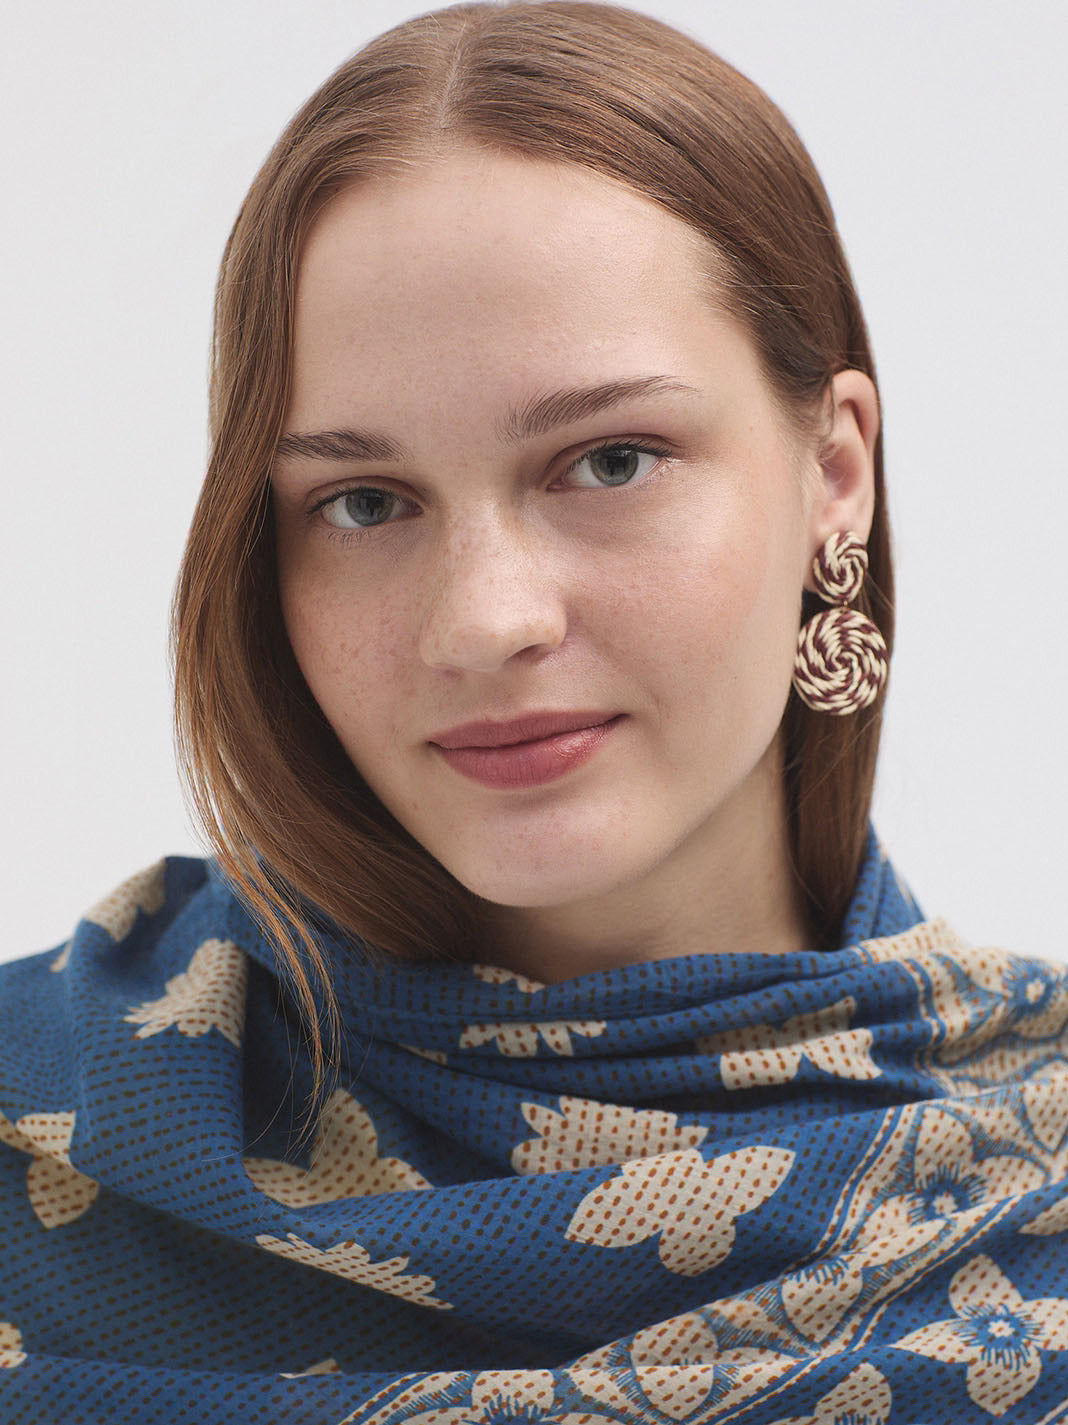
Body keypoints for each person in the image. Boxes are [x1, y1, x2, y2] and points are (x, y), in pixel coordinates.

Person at [1, 3, 1066, 1422]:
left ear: (836, 473)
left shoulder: (1035, 1197)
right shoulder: (47, 1127)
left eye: (608, 460)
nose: (484, 619)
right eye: (364, 501)